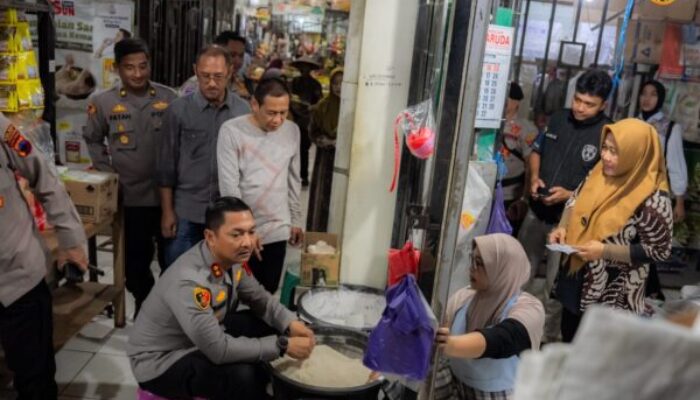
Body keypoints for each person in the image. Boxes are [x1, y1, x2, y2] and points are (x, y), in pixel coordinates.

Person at [128, 197, 315, 400]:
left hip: (198, 336)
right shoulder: (189, 282)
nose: (247, 242)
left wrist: (291, 323)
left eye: (251, 232)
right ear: (210, 236)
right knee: (243, 375)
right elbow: (219, 350)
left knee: (268, 325)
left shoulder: (230, 259)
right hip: (162, 360)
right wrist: (282, 346)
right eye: (236, 234)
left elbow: (260, 299)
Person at [549, 118, 673, 342]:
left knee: (595, 361)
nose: (605, 156)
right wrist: (562, 227)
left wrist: (605, 251)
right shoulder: (598, 173)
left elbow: (659, 250)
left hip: (612, 298)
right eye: (604, 148)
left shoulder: (653, 198)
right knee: (569, 341)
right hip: (576, 281)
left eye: (615, 151)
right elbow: (575, 201)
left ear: (636, 153)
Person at [84, 38, 177, 315]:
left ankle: (166, 309)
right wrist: (108, 175)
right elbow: (92, 139)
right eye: (130, 68)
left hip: (168, 198)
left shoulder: (169, 98)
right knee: (134, 263)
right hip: (130, 197)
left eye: (143, 66)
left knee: (172, 260)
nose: (137, 74)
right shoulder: (103, 102)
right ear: (117, 69)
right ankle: (145, 302)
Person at [519, 69, 612, 343]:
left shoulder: (607, 134)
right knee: (521, 272)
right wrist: (535, 178)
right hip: (537, 213)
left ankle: (545, 339)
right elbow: (537, 151)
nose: (581, 108)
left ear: (603, 105)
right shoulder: (558, 119)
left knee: (556, 286)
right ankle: (514, 328)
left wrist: (570, 194)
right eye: (578, 100)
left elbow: (606, 186)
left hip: (571, 224)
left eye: (589, 104)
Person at [0, 114, 88, 399]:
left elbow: (44, 176)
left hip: (19, 280)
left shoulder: (3, 129)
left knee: (35, 379)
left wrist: (70, 238)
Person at [158, 45, 251, 267]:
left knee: (220, 278)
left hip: (226, 216)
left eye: (218, 77)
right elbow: (165, 167)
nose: (211, 83)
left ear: (230, 72)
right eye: (205, 76)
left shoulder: (243, 112)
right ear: (195, 71)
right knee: (179, 275)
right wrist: (167, 212)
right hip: (186, 211)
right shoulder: (178, 111)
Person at [217, 78, 303, 294]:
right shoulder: (232, 131)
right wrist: (246, 231)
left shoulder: (292, 131)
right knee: (234, 292)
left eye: (283, 112)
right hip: (240, 230)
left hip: (277, 227)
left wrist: (295, 219)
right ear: (255, 104)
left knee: (267, 292)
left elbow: (293, 179)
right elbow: (229, 187)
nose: (278, 120)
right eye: (271, 112)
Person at [436, 233, 544, 400]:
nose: (471, 268)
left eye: (480, 264)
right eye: (473, 260)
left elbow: (503, 338)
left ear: (502, 268)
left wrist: (452, 344)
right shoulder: (464, 298)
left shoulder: (528, 307)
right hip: (457, 387)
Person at [637, 80, 687, 301]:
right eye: (644, 94)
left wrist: (679, 201)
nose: (647, 99)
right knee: (632, 249)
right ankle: (650, 295)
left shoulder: (670, 127)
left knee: (643, 249)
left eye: (653, 94)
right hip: (627, 198)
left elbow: (676, 165)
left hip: (653, 200)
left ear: (661, 98)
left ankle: (653, 295)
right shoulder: (631, 124)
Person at [499, 82, 538, 235]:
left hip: (509, 196)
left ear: (516, 103)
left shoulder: (526, 129)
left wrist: (524, 199)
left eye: (507, 98)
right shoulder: (487, 124)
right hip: (484, 191)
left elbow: (530, 166)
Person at [306, 67, 343, 232]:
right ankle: (318, 237)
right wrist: (326, 141)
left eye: (343, 83)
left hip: (346, 160)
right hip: (325, 160)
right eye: (335, 83)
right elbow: (313, 132)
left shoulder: (356, 107)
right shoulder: (322, 107)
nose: (339, 87)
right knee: (322, 198)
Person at [179, 31, 252, 100]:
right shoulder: (196, 85)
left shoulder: (238, 83)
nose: (238, 61)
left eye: (241, 56)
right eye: (232, 55)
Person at [290, 57, 323, 187]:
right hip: (294, 117)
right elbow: (289, 96)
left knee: (304, 149)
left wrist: (311, 107)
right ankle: (292, 174)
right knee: (291, 149)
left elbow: (319, 102)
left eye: (306, 68)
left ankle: (303, 176)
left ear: (310, 69)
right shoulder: (294, 82)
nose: (304, 70)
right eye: (302, 68)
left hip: (307, 120)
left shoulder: (315, 84)